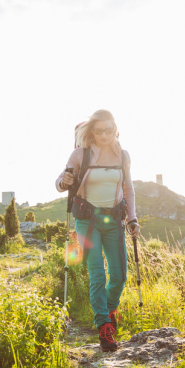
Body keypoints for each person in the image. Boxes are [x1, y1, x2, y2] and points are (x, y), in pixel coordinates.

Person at [56, 109, 140, 352]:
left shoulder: (123, 156)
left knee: (120, 275)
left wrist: (132, 219)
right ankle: (104, 326)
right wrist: (65, 182)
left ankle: (109, 310)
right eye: (99, 130)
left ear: (116, 129)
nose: (104, 134)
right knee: (97, 273)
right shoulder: (80, 154)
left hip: (114, 220)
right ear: (91, 131)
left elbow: (129, 189)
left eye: (108, 130)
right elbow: (60, 182)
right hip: (88, 221)